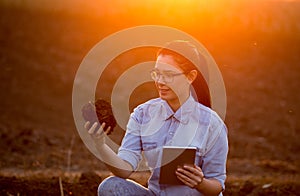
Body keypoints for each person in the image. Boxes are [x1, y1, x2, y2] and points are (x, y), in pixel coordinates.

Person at [85, 40, 228, 196]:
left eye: (169, 75)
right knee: (110, 186)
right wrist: (100, 145)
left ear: (190, 76)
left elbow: (217, 185)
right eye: (157, 73)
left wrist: (200, 183)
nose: (160, 81)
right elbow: (124, 169)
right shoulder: (142, 115)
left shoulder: (212, 124)